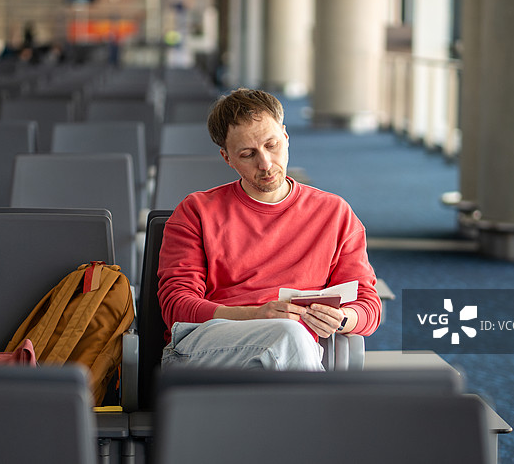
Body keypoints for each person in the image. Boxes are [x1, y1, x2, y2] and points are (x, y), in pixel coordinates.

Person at [157, 88, 381, 371]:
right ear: (227, 159)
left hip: (296, 353)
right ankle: (325, 413)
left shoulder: (334, 213)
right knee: (288, 336)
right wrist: (255, 315)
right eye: (248, 154)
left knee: (288, 344)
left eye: (271, 145)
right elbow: (176, 307)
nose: (265, 164)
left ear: (286, 137)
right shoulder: (196, 211)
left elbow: (368, 306)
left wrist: (344, 318)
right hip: (206, 346)